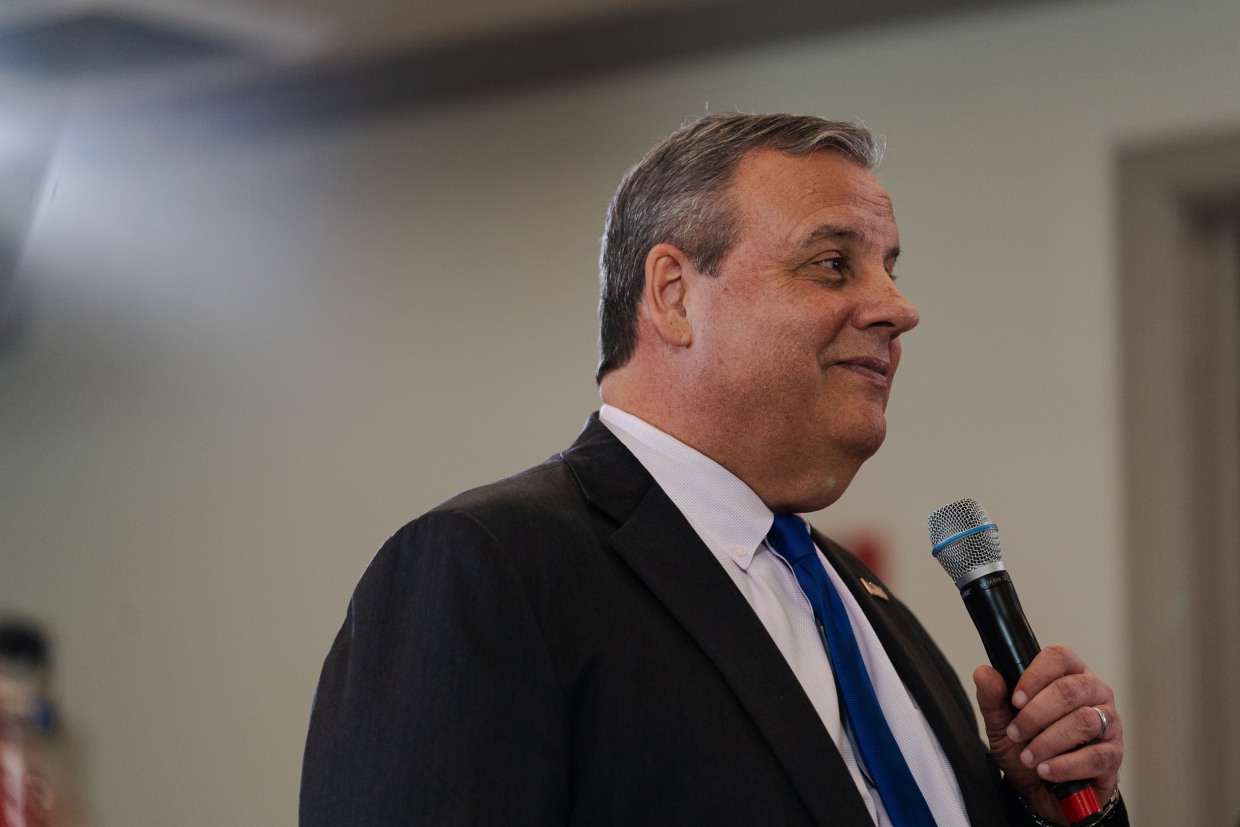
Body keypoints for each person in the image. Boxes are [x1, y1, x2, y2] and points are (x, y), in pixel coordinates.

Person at [300, 113, 1126, 825]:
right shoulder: (487, 570)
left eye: (890, 268)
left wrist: (1044, 811)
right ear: (673, 294)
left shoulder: (868, 607)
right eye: (833, 264)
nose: (898, 308)